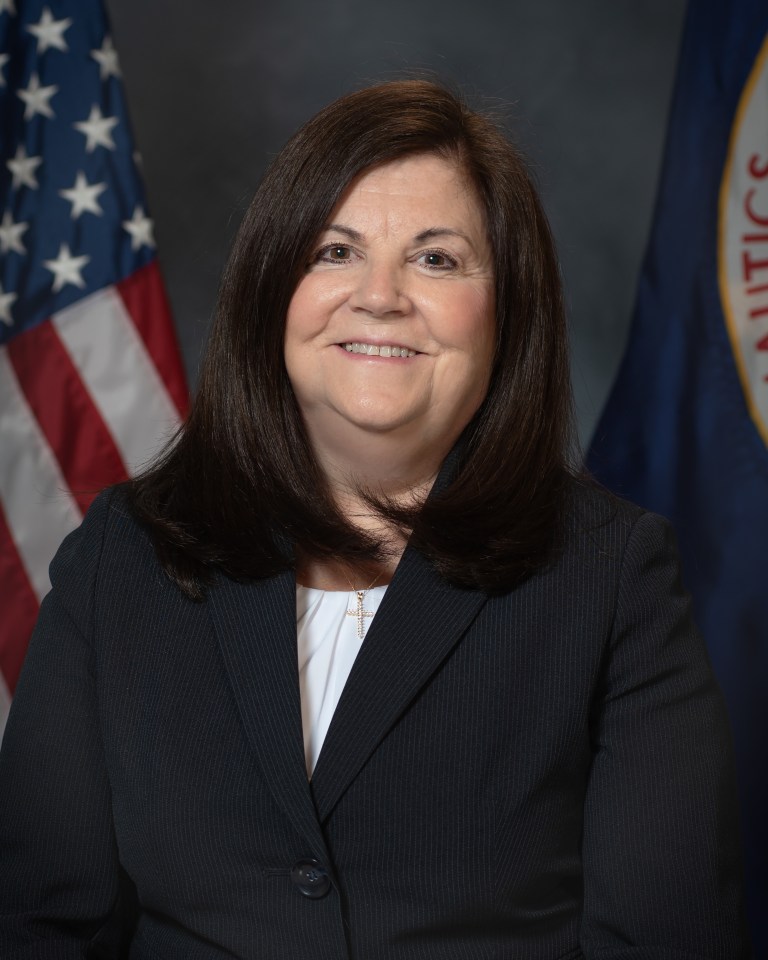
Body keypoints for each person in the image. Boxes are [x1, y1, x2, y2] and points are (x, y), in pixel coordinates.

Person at [0, 79, 752, 959]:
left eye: (437, 259)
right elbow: (37, 925)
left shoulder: (611, 577)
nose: (381, 295)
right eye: (335, 251)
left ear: (507, 314)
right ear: (272, 289)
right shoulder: (126, 557)